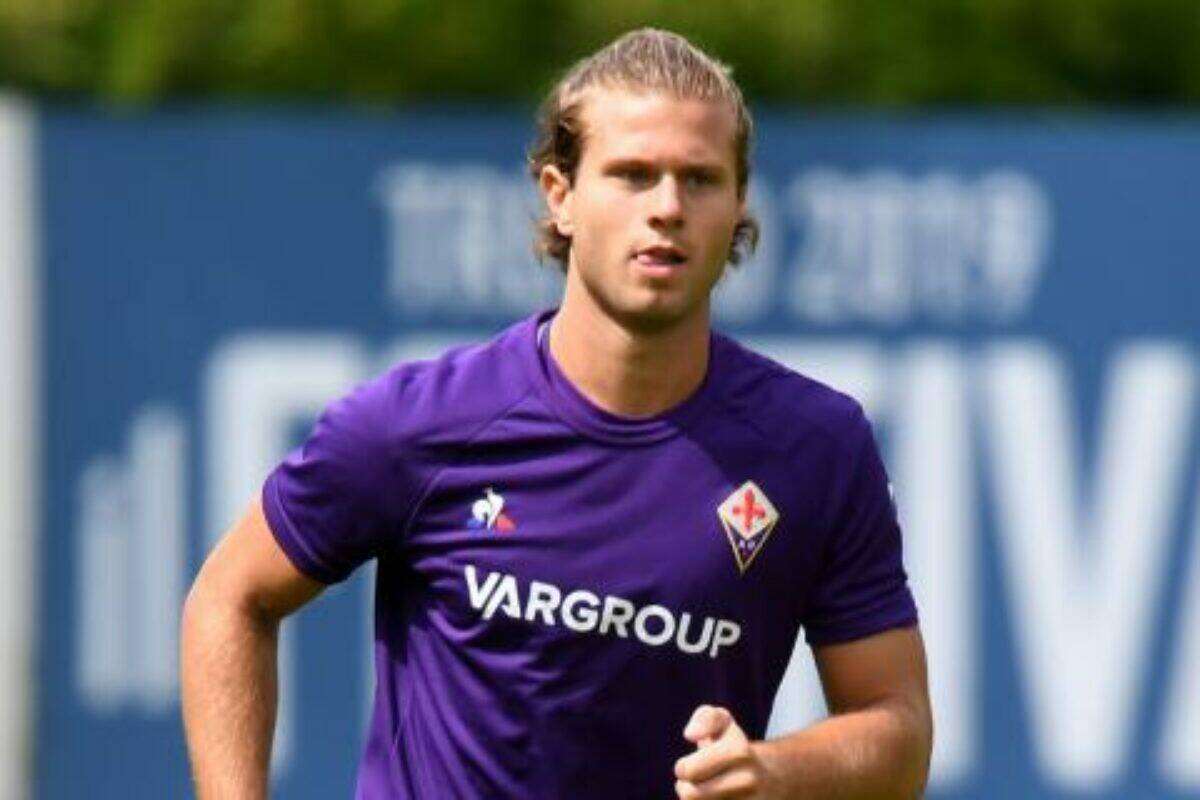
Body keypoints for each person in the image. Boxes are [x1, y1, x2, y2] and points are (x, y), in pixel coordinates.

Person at [181, 27, 932, 799]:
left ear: (739, 202)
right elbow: (230, 597)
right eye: (632, 175)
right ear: (560, 194)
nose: (667, 207)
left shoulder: (818, 448)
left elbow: (899, 729)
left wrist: (775, 772)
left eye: (700, 179)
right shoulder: (420, 425)